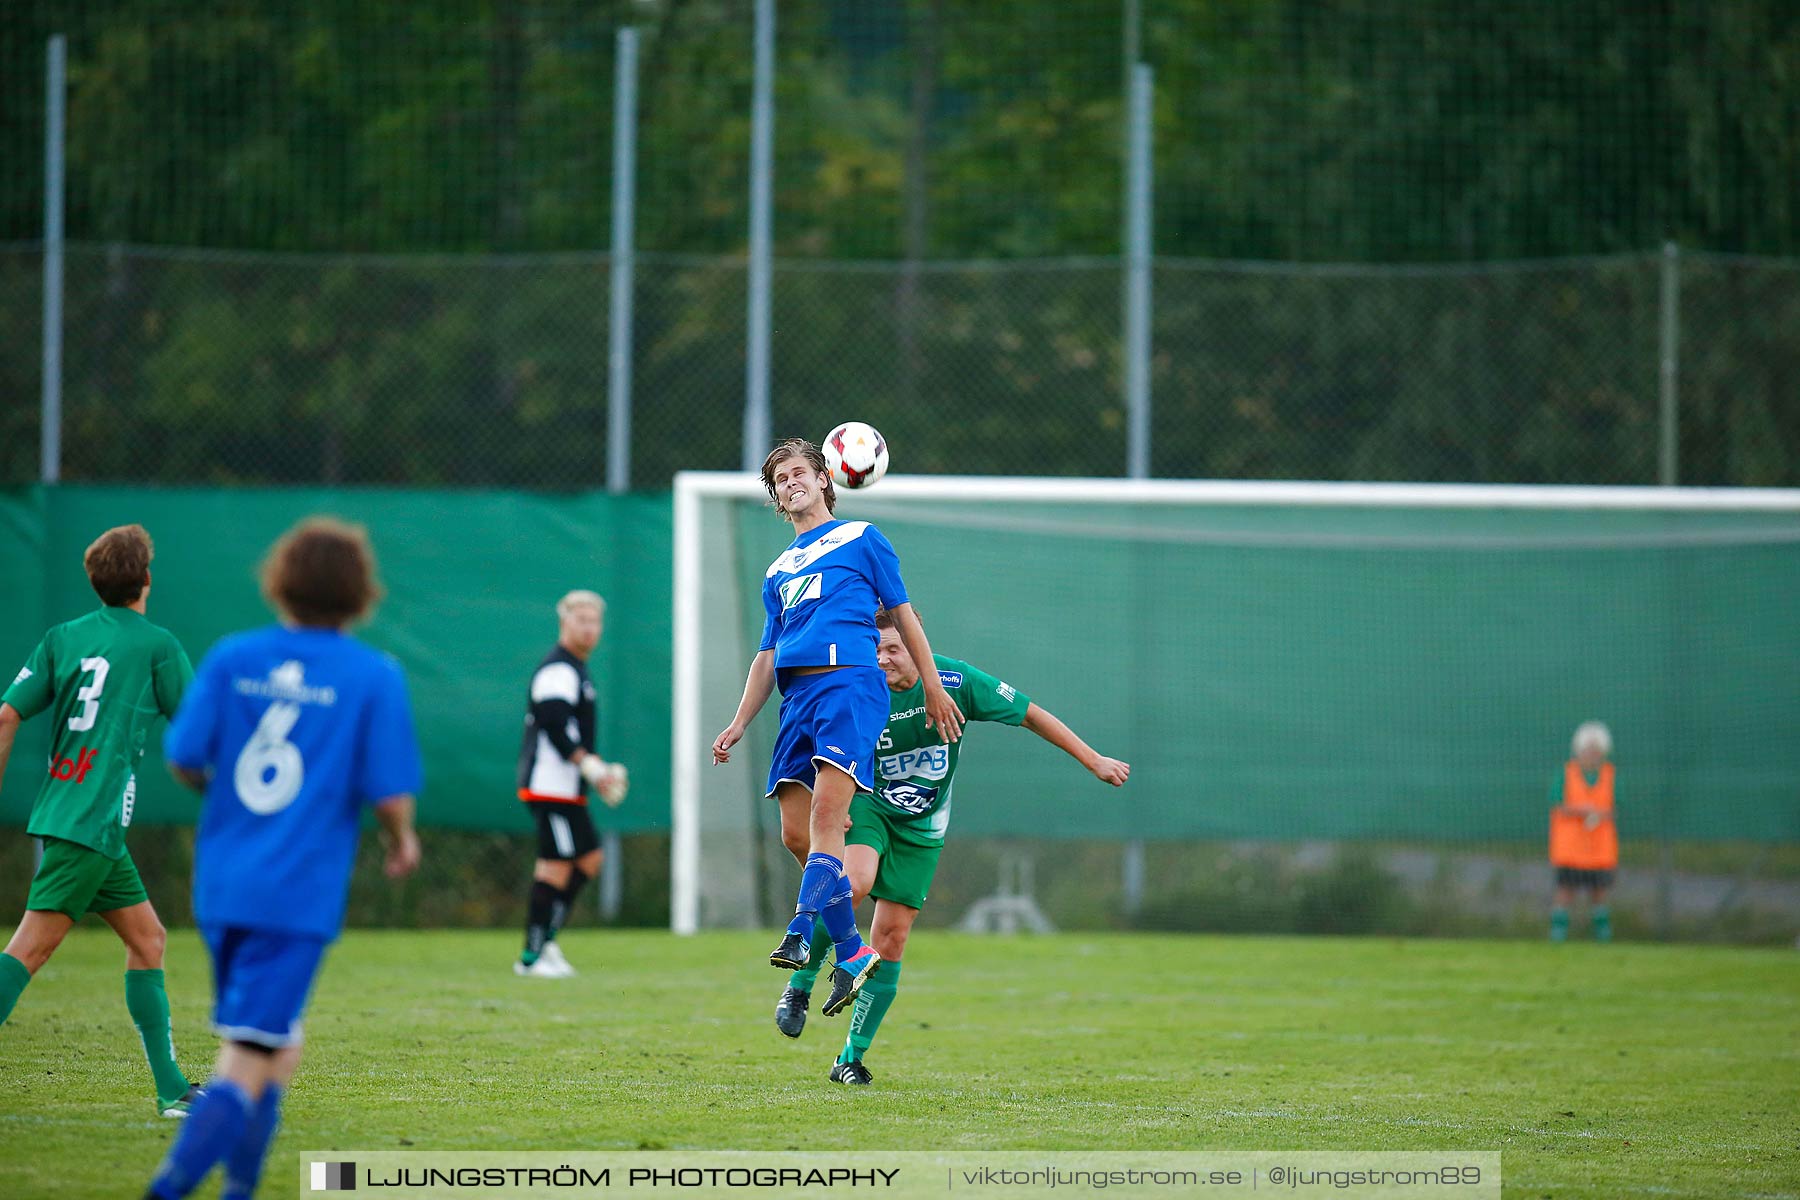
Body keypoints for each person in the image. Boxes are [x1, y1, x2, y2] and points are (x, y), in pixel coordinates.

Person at [143, 517, 422, 1200]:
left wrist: (229, 802)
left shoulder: (235, 657)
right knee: (248, 1056)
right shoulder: (372, 674)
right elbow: (388, 793)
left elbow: (182, 758)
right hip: (296, 895)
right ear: (360, 593)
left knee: (275, 1047)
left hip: (223, 885)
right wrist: (401, 840)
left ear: (281, 582)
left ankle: (241, 1189)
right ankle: (168, 1187)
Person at [774, 607, 1129, 1084]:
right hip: (871, 810)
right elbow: (811, 744)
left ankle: (849, 1059)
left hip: (923, 827)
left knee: (892, 939)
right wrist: (829, 803)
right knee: (853, 881)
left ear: (916, 646)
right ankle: (799, 985)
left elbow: (1030, 714)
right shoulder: (857, 689)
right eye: (874, 650)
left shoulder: (954, 682)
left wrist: (1094, 760)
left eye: (894, 649)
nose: (883, 659)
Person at [712, 438, 964, 1019]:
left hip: (849, 685)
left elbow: (901, 614)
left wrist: (930, 681)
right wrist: (737, 722)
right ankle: (850, 951)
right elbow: (767, 657)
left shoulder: (862, 539)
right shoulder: (777, 570)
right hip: (796, 698)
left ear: (826, 479)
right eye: (779, 478)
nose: (790, 481)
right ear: (776, 497)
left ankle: (801, 931)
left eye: (799, 471)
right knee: (797, 837)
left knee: (829, 819)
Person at [0, 523, 202, 1118]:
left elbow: (6, 716)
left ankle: (172, 1091)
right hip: (89, 822)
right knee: (27, 952)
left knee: (149, 940)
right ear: (145, 579)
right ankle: (172, 1092)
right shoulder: (157, 645)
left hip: (87, 823)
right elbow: (196, 732)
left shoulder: (64, 637)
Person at [514, 589, 627, 978]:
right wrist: (591, 768)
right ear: (564, 622)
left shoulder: (577, 669)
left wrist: (590, 773)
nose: (589, 628)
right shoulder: (558, 669)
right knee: (555, 866)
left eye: (595, 621)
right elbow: (554, 723)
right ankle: (531, 957)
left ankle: (547, 941)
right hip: (548, 785)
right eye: (581, 619)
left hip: (567, 789)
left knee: (589, 859)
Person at [1548, 720, 1617, 943]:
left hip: (1598, 849)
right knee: (1565, 890)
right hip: (1570, 848)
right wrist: (1582, 810)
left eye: (1596, 750)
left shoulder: (1610, 775)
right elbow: (1558, 805)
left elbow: (1614, 809)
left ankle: (1603, 938)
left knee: (1599, 893)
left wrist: (1599, 814)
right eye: (1588, 750)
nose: (1592, 755)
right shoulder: (1565, 774)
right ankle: (1557, 937)